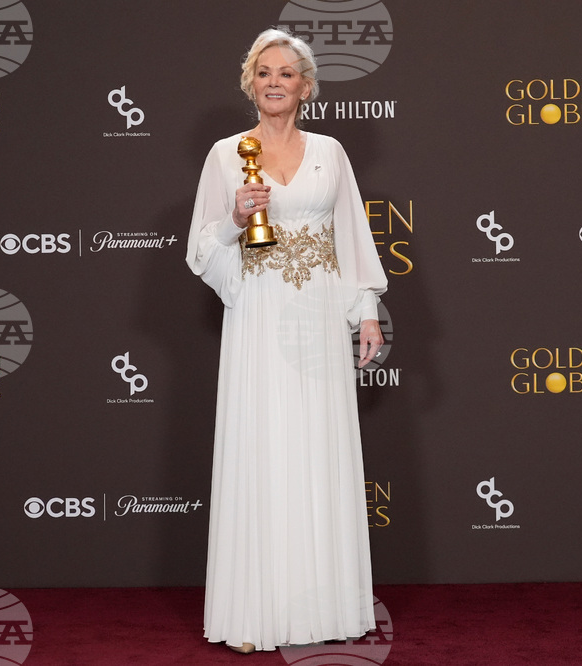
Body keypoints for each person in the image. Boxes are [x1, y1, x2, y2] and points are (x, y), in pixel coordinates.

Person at [186, 27, 387, 654]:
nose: (275, 81)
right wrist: (235, 219)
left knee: (317, 448)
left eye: (287, 73)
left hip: (321, 314)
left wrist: (368, 312)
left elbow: (351, 233)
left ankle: (322, 610)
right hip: (259, 314)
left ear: (306, 86)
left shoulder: (331, 151)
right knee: (262, 447)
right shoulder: (226, 155)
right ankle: (256, 615)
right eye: (264, 72)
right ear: (252, 82)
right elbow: (200, 251)